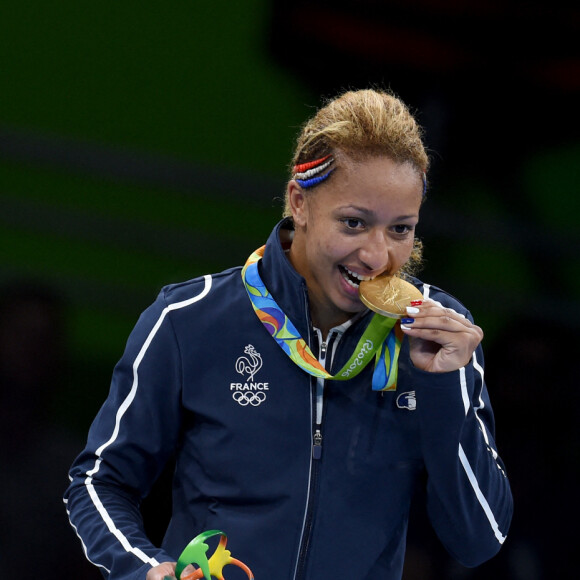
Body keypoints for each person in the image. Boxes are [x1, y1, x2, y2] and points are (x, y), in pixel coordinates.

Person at [64, 88, 513, 580]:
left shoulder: (440, 335)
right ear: (300, 202)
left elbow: (478, 540)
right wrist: (145, 568)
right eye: (354, 222)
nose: (377, 256)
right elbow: (97, 482)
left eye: (401, 229)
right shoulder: (188, 319)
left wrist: (443, 389)